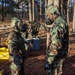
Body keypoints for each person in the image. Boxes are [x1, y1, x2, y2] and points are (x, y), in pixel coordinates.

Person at [44, 4, 68, 75]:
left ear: (53, 13)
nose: (48, 17)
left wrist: (49, 61)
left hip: (56, 59)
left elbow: (55, 44)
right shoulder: (62, 21)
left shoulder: (58, 24)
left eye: (48, 15)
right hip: (60, 56)